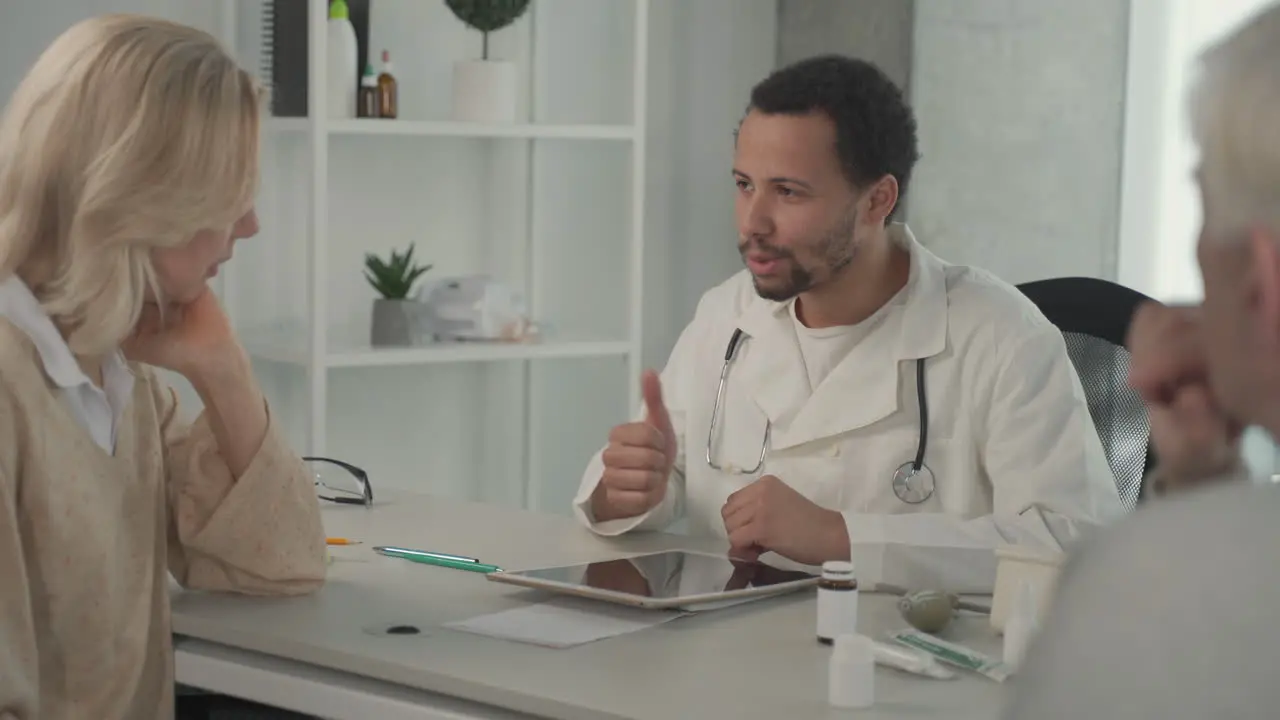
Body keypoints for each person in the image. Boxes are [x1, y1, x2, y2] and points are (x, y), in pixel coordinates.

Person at [570, 54, 1125, 593]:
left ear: (877, 200)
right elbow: (661, 476)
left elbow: (1075, 542)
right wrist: (627, 491)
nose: (752, 221)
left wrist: (844, 537)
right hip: (730, 658)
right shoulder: (727, 314)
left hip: (905, 667)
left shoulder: (1001, 336)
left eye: (787, 192)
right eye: (744, 185)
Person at [0, 16, 327, 720]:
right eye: (230, 193)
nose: (250, 226)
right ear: (140, 195)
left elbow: (281, 564)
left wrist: (224, 371)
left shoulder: (117, 376)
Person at [1004, 4, 1280, 717]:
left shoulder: (1138, 594)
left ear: (1261, 273)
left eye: (1203, 207)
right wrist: (1200, 486)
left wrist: (1174, 548)